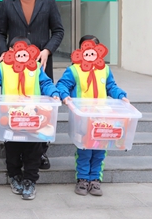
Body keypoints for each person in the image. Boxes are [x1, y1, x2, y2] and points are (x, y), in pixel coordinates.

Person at [0, 0, 64, 170]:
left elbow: (58, 31)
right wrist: (4, 52)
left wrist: (47, 50)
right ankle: (15, 149)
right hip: (14, 67)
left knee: (41, 107)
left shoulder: (49, 2)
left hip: (39, 65)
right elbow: (0, 32)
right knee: (15, 106)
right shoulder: (7, 4)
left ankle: (40, 151)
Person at [0, 37, 60, 201]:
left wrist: (53, 93)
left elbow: (45, 83)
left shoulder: (36, 67)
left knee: (33, 151)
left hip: (33, 118)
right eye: (15, 49)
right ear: (9, 51)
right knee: (12, 150)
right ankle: (15, 176)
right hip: (11, 118)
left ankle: (30, 180)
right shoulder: (3, 67)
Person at [56, 35, 129, 197]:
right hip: (83, 118)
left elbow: (111, 86)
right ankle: (82, 179)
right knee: (84, 149)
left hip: (102, 117)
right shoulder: (74, 70)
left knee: (100, 149)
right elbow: (62, 85)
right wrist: (65, 96)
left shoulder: (105, 69)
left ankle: (95, 179)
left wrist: (121, 96)